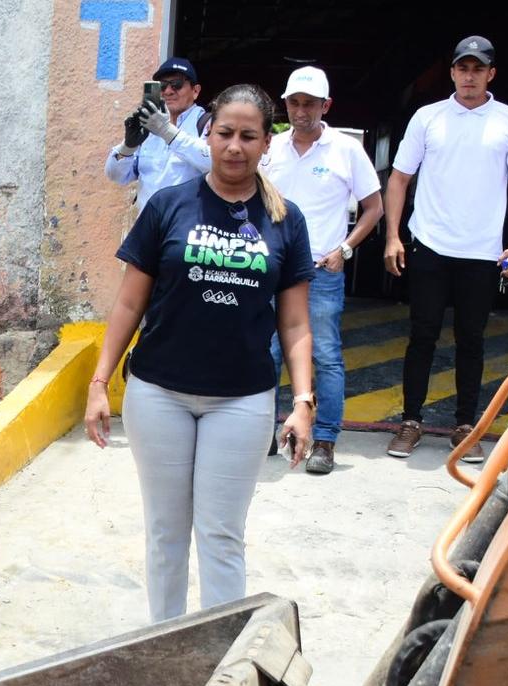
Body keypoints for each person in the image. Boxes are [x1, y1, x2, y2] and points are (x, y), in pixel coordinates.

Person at [85, 84, 316, 623]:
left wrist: (303, 401)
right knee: (166, 532)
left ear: (266, 144)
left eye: (249, 136)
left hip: (241, 401)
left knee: (220, 535)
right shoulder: (169, 205)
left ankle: (219, 662)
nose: (234, 146)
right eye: (225, 133)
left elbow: (296, 321)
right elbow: (127, 303)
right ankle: (163, 648)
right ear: (206, 134)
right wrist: (100, 383)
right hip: (158, 393)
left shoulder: (286, 220)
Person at [381, 35, 508, 464]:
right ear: (452, 72)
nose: (469, 76)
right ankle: (410, 422)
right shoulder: (428, 118)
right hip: (430, 244)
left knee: (472, 339)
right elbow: (398, 178)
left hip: (483, 251)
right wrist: (393, 235)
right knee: (422, 335)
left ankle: (465, 427)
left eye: (478, 69)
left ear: (491, 74)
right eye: (462, 68)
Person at [263, 65, 382, 475]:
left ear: (325, 105)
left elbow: (374, 207)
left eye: (309, 103)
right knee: (268, 351)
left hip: (320, 270)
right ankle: (265, 432)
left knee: (326, 356)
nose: (301, 111)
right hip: (272, 271)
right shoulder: (272, 149)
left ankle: (325, 439)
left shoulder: (346, 150)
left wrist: (344, 250)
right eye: (294, 102)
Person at [104, 57, 214, 212]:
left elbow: (216, 163)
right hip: (149, 227)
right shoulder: (150, 126)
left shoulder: (207, 123)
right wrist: (127, 147)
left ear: (195, 91)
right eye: (162, 86)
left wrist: (166, 132)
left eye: (177, 84)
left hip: (185, 229)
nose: (168, 91)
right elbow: (116, 176)